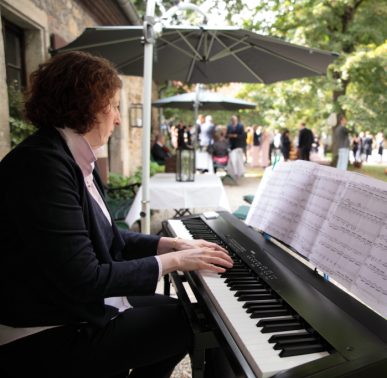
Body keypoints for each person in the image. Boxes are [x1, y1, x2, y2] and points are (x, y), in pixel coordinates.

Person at [0, 51, 233, 378]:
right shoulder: (41, 166)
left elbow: (108, 237)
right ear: (86, 106)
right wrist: (176, 263)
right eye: (113, 105)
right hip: (49, 330)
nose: (119, 118)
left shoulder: (72, 156)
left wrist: (172, 245)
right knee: (205, 323)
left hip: (78, 308)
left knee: (190, 314)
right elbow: (84, 279)